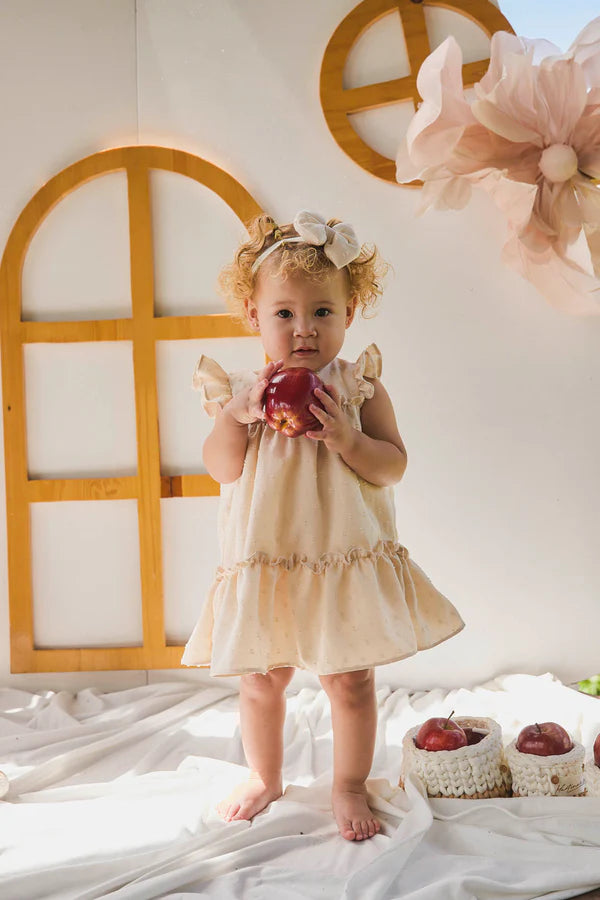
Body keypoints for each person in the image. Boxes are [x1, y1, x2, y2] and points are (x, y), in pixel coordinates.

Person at [181, 209, 465, 841]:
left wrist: (345, 438)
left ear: (350, 311)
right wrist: (235, 417)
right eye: (284, 313)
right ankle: (266, 775)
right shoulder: (246, 392)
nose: (303, 330)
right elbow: (221, 469)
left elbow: (392, 465)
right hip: (270, 559)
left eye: (322, 312)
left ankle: (348, 784)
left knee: (351, 678)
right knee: (261, 677)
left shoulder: (358, 389)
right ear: (254, 316)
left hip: (341, 557)